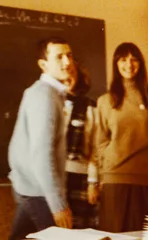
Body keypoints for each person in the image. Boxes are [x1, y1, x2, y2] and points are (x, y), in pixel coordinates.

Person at [95, 42, 148, 232]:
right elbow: (100, 143)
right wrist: (102, 175)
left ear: (140, 64)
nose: (129, 64)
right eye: (123, 59)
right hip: (115, 181)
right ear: (116, 64)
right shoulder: (105, 101)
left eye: (134, 60)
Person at [7, 36, 75, 240]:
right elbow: (41, 155)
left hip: (31, 187)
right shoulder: (44, 95)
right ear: (43, 64)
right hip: (38, 191)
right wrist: (58, 205)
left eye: (69, 55)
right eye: (59, 57)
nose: (67, 62)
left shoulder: (51, 93)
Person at [63, 61, 100, 229]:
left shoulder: (91, 107)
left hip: (81, 178)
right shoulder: (52, 104)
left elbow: (96, 148)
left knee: (80, 231)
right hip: (55, 178)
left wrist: (93, 182)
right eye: (64, 73)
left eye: (72, 73)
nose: (67, 77)